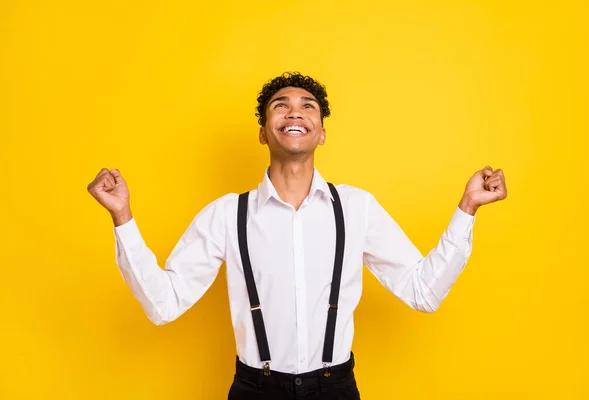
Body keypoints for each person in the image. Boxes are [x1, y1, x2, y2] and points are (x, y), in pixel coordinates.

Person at [87, 72, 507, 399]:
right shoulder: (225, 215)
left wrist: (466, 209)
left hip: (335, 390)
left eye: (308, 107)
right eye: (280, 106)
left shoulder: (356, 208)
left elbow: (423, 292)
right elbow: (164, 303)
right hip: (255, 390)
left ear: (321, 132)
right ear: (263, 131)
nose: (294, 112)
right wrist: (122, 216)